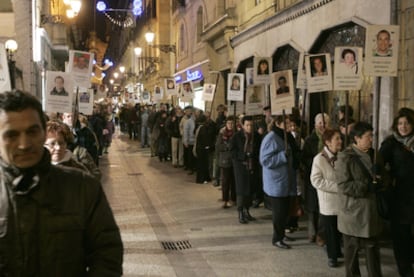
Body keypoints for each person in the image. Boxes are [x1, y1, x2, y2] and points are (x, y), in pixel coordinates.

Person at [0, 90, 123, 275]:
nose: (24, 144)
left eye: (32, 132)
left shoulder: (82, 187)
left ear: (43, 133)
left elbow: (107, 254)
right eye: (11, 135)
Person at [335, 121, 384, 277]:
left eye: (372, 136)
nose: (371, 139)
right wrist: (366, 186)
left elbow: (385, 179)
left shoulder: (375, 155)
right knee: (352, 255)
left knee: (373, 252)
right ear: (357, 138)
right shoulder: (345, 157)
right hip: (353, 214)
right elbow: (343, 185)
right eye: (368, 136)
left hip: (371, 212)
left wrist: (381, 177)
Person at [380, 108, 414, 276]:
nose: (404, 126)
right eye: (400, 123)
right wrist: (388, 182)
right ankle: (405, 269)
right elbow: (378, 166)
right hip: (400, 196)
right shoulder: (390, 143)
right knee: (401, 235)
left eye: (407, 123)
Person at [260, 116, 299, 249]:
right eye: (286, 123)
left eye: (289, 122)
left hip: (287, 180)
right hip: (277, 182)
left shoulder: (286, 136)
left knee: (285, 211)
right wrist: (282, 156)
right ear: (278, 123)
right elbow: (265, 160)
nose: (289, 125)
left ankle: (282, 234)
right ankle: (277, 238)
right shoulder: (271, 138)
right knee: (279, 212)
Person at [311, 128, 343, 267]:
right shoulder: (319, 159)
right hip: (328, 202)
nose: (340, 141)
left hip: (341, 201)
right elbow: (316, 180)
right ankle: (332, 256)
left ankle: (338, 251)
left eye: (340, 138)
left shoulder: (341, 156)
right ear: (328, 142)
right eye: (337, 139)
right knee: (330, 230)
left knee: (339, 229)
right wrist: (337, 187)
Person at [301, 113, 330, 246]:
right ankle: (312, 232)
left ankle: (322, 234)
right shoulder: (309, 140)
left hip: (328, 178)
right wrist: (316, 162)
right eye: (320, 123)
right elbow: (304, 158)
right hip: (313, 177)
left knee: (324, 208)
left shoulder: (331, 139)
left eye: (325, 123)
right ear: (315, 124)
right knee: (313, 208)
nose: (322, 125)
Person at [231, 115, 261, 224]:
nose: (249, 127)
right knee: (241, 191)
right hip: (240, 167)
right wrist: (243, 155)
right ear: (243, 125)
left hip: (252, 166)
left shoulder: (257, 137)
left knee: (250, 190)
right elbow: (232, 152)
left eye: (251, 125)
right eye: (247, 125)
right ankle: (240, 212)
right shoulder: (237, 137)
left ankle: (247, 211)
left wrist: (254, 156)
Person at [216, 116, 236, 208]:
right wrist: (227, 147)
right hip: (225, 161)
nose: (230, 125)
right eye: (228, 123)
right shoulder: (222, 133)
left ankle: (233, 199)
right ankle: (225, 199)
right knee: (225, 181)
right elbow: (218, 146)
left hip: (234, 160)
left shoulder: (236, 133)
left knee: (234, 181)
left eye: (232, 123)